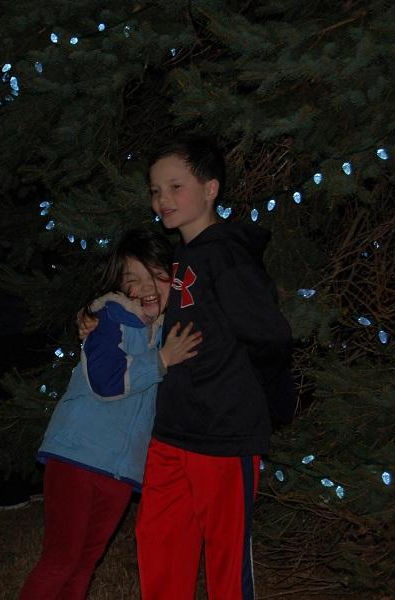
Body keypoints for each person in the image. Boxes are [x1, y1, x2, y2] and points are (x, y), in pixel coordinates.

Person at [135, 136, 295, 600]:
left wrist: (265, 398)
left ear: (210, 189)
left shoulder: (226, 254)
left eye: (175, 187)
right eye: (155, 190)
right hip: (172, 433)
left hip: (224, 435)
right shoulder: (184, 258)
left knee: (226, 561)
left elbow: (269, 335)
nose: (163, 199)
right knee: (160, 544)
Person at [19, 229, 202, 600]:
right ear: (120, 286)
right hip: (77, 456)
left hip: (121, 470)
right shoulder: (110, 318)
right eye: (132, 279)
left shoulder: (169, 330)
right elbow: (107, 381)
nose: (147, 287)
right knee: (61, 559)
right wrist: (162, 360)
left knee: (86, 562)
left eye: (156, 274)